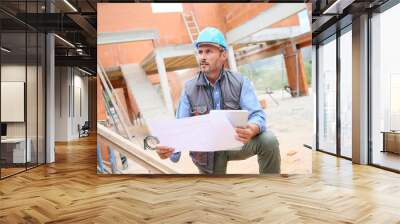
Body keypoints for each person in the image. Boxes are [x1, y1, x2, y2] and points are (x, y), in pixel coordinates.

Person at [155, 27, 281, 174]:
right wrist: (169, 150)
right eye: (200, 52)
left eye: (208, 51)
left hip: (235, 143)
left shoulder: (239, 82)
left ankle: (271, 186)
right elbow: (181, 128)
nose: (202, 57)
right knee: (218, 195)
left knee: (268, 140)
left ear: (223, 55)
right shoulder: (189, 89)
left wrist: (253, 128)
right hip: (207, 153)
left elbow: (258, 115)